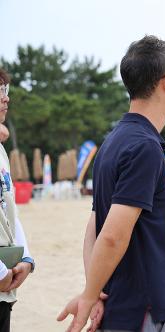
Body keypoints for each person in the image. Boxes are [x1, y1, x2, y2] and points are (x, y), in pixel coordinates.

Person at [57, 36, 165, 332]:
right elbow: (113, 234)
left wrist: (96, 290)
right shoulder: (144, 147)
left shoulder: (113, 141)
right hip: (144, 302)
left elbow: (94, 225)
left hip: (118, 298)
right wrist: (91, 296)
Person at [0, 68, 36, 332]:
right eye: (0, 92)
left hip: (5, 289)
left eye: (6, 91)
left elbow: (10, 213)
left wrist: (27, 258)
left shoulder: (1, 151)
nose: (6, 99)